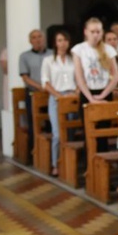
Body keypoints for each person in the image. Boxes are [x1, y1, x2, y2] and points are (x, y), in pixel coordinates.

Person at [72, 18, 118, 150]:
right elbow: (79, 77)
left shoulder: (108, 49)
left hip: (104, 93)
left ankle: (103, 164)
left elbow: (115, 76)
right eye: (92, 31)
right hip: (87, 94)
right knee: (88, 133)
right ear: (86, 32)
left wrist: (103, 94)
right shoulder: (79, 49)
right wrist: (90, 98)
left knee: (104, 133)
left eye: (98, 31)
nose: (95, 35)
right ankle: (90, 166)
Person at [41, 30, 76, 176]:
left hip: (72, 95)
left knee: (71, 132)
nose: (63, 43)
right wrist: (57, 96)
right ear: (55, 43)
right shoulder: (48, 60)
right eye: (60, 40)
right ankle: (56, 163)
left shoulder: (74, 58)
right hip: (57, 97)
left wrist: (76, 93)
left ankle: (70, 163)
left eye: (65, 40)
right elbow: (45, 82)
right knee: (57, 134)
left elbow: (80, 78)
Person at [19, 29, 52, 160]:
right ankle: (34, 153)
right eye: (34, 37)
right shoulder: (24, 56)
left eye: (40, 37)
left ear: (44, 38)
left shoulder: (51, 54)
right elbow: (25, 77)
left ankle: (50, 153)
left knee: (51, 122)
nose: (38, 40)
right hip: (34, 93)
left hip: (50, 93)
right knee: (33, 122)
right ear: (30, 41)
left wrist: (49, 88)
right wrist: (41, 87)